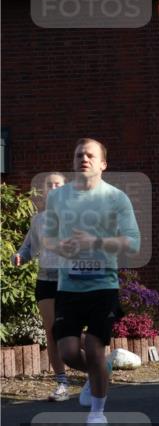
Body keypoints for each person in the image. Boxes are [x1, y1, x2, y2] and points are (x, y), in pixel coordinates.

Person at [43, 139, 140, 426]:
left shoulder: (116, 198)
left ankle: (97, 415)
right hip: (69, 287)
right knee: (70, 352)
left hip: (103, 286)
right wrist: (63, 247)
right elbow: (46, 238)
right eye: (78, 155)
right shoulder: (57, 198)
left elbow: (133, 242)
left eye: (90, 155)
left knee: (94, 348)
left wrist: (95, 242)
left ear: (102, 164)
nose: (83, 159)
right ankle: (99, 373)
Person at [14, 172, 69, 401]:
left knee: (69, 332)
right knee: (52, 331)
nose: (54, 188)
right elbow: (27, 248)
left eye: (58, 184)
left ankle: (96, 363)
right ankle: (62, 384)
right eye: (50, 185)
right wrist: (19, 256)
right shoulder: (38, 220)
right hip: (46, 280)